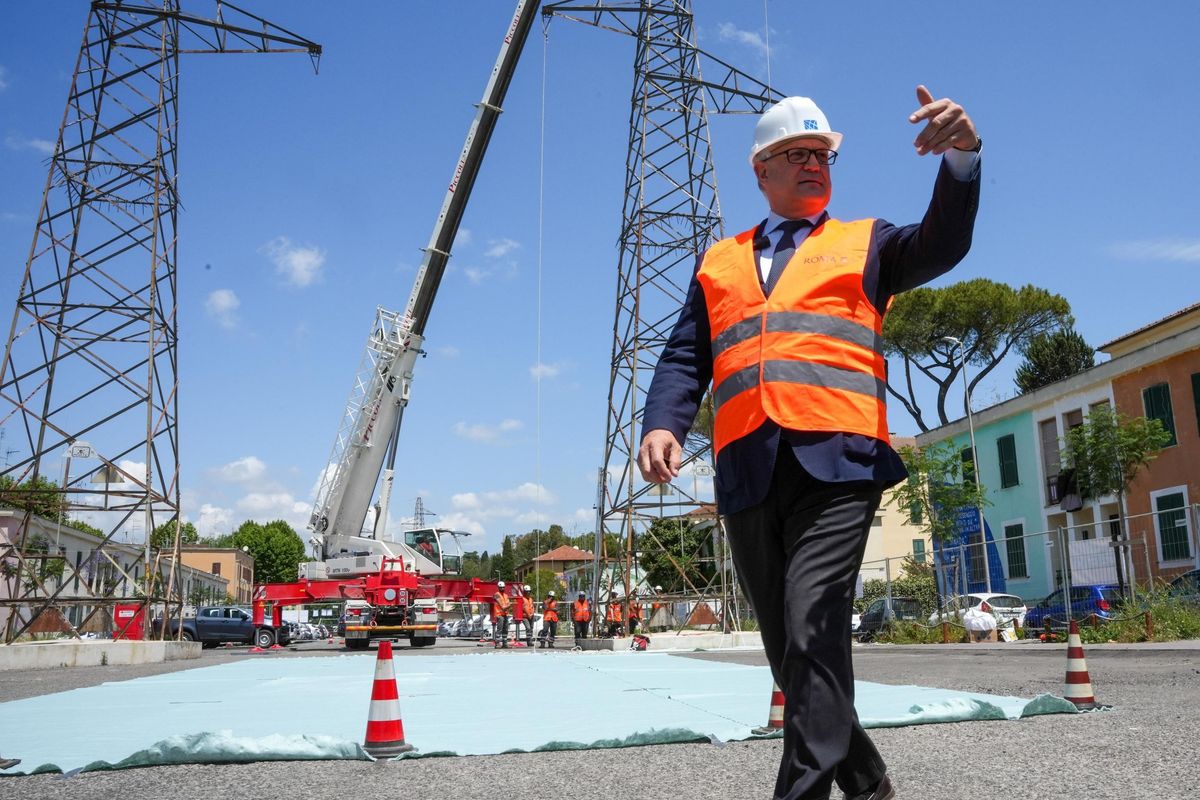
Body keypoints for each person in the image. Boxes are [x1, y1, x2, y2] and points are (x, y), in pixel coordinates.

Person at [637, 88, 980, 800]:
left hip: (838, 465)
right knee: (790, 655)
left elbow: (942, 244)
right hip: (747, 471)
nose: (813, 164)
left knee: (812, 624)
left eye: (822, 154)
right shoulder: (717, 264)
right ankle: (869, 781)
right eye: (797, 154)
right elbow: (683, 359)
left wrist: (962, 157)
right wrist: (663, 424)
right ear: (760, 170)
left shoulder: (869, 243)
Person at [492, 580, 511, 649]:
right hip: (499, 614)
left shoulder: (506, 595)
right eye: (501, 587)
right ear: (498, 587)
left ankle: (504, 643)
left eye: (503, 587)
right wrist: (509, 605)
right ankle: (497, 643)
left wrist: (508, 606)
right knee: (499, 629)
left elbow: (508, 604)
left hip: (505, 614)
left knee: (505, 629)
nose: (502, 589)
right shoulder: (497, 595)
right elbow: (503, 606)